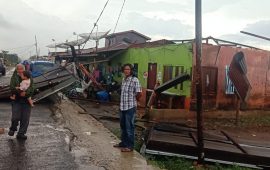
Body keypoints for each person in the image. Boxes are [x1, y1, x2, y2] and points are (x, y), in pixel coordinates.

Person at [113, 63, 142, 152]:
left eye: (128, 69)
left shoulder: (135, 80)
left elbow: (139, 93)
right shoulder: (124, 79)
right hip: (122, 107)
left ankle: (130, 146)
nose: (126, 71)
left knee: (129, 127)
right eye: (125, 69)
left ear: (131, 70)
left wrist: (134, 100)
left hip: (130, 107)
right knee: (123, 127)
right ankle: (123, 143)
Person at [8, 64, 34, 140]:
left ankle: (21, 134)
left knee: (25, 119)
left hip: (26, 101)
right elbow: (12, 88)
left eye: (21, 69)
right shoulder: (14, 77)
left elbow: (32, 87)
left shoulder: (29, 77)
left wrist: (26, 93)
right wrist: (19, 92)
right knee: (15, 117)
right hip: (16, 100)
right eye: (18, 69)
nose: (20, 70)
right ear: (16, 70)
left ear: (24, 69)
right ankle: (13, 128)